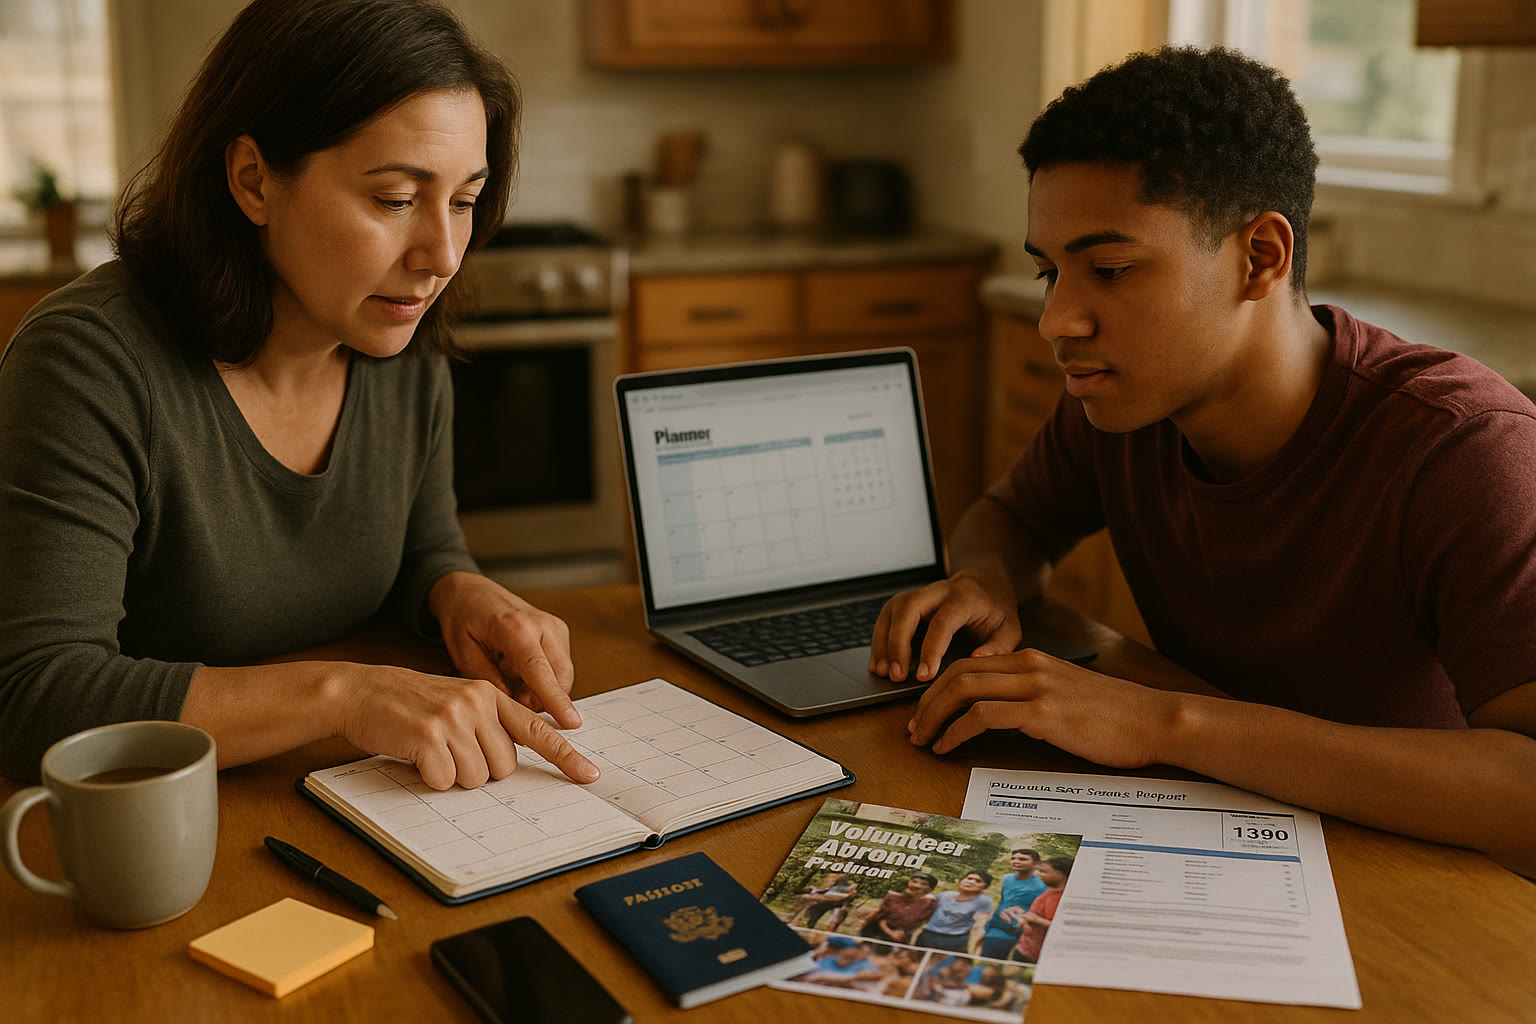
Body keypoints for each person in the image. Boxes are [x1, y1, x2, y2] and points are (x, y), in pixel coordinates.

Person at [875, 45, 1536, 877]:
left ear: (1261, 256)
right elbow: (1011, 518)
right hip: (1228, 841)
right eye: (1050, 273)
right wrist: (984, 580)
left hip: (1417, 889)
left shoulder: (1467, 450)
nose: (1057, 321)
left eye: (1109, 270)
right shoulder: (1124, 403)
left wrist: (1163, 722)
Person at [0, 0, 600, 790]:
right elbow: (35, 693)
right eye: (394, 199)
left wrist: (460, 592)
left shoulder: (400, 340)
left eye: (463, 200)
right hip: (157, 832)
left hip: (341, 795)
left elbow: (422, 550)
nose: (444, 254)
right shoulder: (90, 361)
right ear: (253, 180)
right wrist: (342, 692)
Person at [978, 848, 1046, 959]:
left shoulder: (1041, 885)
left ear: (1035, 864)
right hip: (997, 927)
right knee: (988, 959)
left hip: (1021, 929)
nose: (1016, 861)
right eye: (1013, 858)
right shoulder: (1007, 879)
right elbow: (1003, 900)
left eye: (1022, 859)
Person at [1011, 855, 1072, 964]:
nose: (1038, 875)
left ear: (1061, 874)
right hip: (1024, 948)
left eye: (1045, 872)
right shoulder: (1049, 891)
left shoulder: (1062, 898)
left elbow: (1061, 928)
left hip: (1037, 956)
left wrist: (1035, 919)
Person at [914, 870, 994, 953]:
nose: (971, 882)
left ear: (985, 887)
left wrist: (972, 948)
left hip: (955, 939)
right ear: (961, 881)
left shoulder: (983, 901)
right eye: (969, 878)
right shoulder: (945, 895)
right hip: (929, 934)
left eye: (978, 881)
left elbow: (980, 926)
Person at [857, 871, 938, 944]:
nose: (916, 886)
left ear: (929, 889)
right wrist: (891, 932)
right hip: (879, 931)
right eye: (914, 882)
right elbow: (881, 918)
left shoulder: (928, 903)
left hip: (903, 937)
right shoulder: (892, 897)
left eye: (923, 884)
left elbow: (920, 925)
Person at [798, 936, 885, 989]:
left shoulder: (864, 964)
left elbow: (871, 976)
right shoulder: (827, 960)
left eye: (842, 947)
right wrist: (817, 953)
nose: (839, 951)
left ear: (856, 950)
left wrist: (826, 978)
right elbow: (802, 974)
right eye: (836, 948)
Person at [787, 872, 857, 929]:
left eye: (832, 878)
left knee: (806, 898)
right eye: (830, 878)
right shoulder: (836, 883)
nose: (830, 879)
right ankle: (794, 920)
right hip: (826, 897)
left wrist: (851, 890)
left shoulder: (844, 884)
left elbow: (846, 893)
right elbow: (826, 890)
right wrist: (816, 890)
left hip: (833, 900)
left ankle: (794, 920)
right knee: (806, 900)